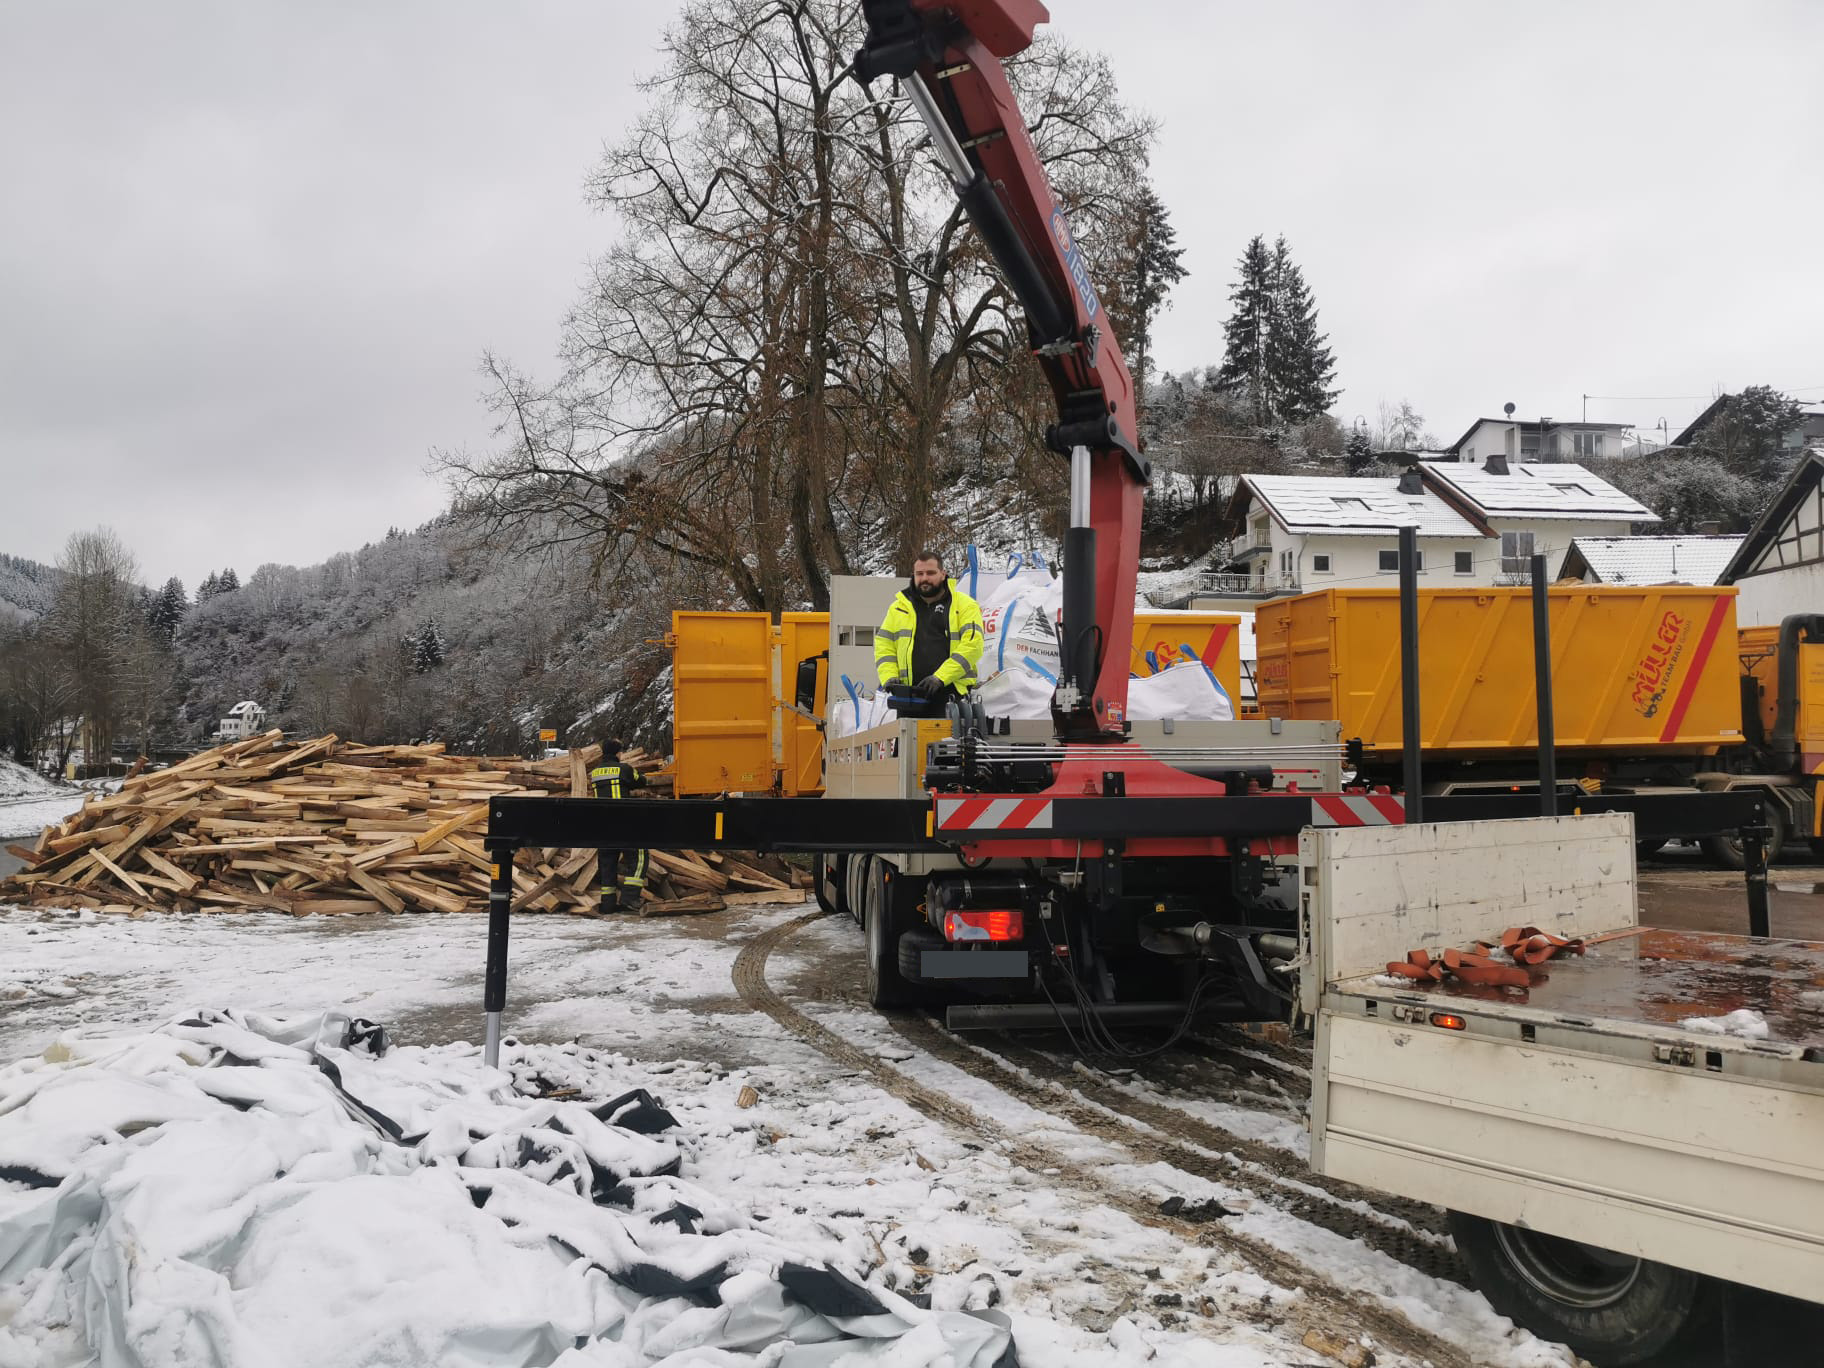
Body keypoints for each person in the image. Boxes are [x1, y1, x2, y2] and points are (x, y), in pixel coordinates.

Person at [874, 549, 984, 718]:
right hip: (908, 699)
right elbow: (884, 646)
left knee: (944, 744)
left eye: (931, 573)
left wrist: (940, 678)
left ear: (943, 574)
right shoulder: (898, 608)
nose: (925, 578)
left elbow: (972, 646)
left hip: (951, 697)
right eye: (920, 573)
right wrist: (889, 676)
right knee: (907, 744)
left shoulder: (965, 605)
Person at [589, 739, 648, 913]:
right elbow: (641, 781)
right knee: (640, 856)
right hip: (623, 822)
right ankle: (630, 898)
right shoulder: (624, 769)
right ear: (618, 753)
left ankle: (608, 904)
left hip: (602, 824)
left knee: (607, 863)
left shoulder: (595, 772)